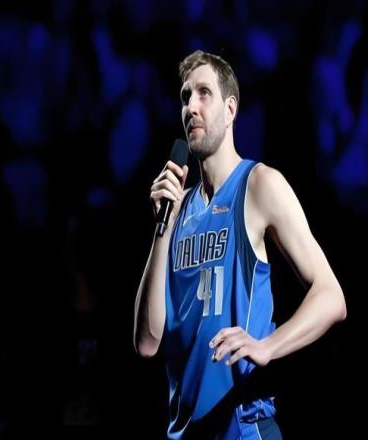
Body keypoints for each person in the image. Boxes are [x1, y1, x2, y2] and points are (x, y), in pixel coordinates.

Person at [133, 50, 346, 440]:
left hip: (244, 427)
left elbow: (332, 296)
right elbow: (147, 342)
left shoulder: (259, 185)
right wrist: (162, 229)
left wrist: (268, 345)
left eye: (204, 93)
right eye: (185, 97)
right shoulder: (178, 209)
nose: (191, 107)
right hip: (185, 432)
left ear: (230, 109)